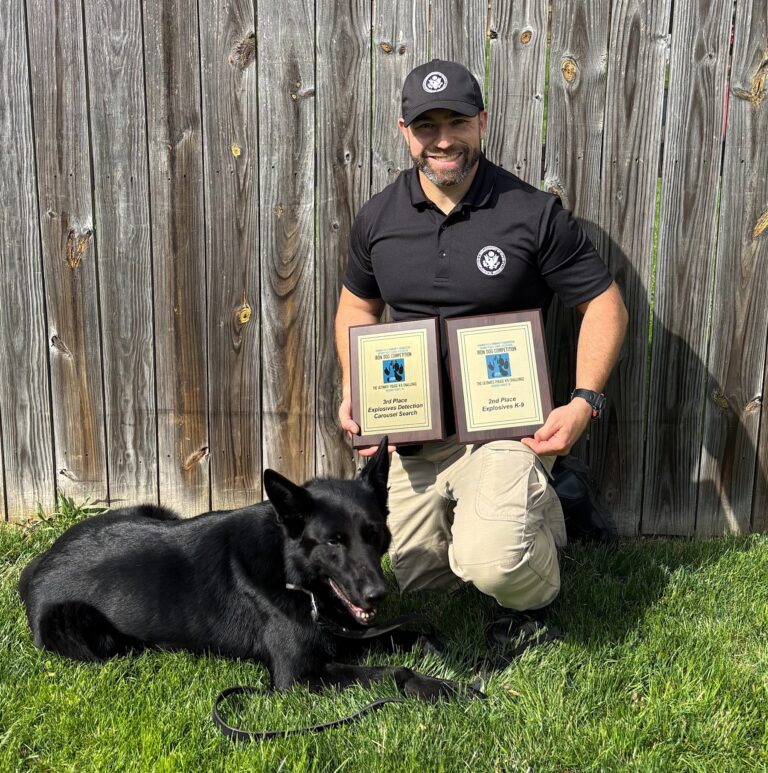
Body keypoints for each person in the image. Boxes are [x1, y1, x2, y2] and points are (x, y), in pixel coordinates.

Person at [335, 59, 628, 657]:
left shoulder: (531, 212)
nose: (443, 140)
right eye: (426, 125)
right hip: (416, 437)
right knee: (422, 578)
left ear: (483, 122)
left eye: (457, 122)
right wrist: (356, 390)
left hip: (505, 430)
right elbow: (355, 312)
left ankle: (530, 603)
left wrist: (583, 402)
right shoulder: (377, 219)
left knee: (490, 563)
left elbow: (604, 306)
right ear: (403, 130)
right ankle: (558, 501)